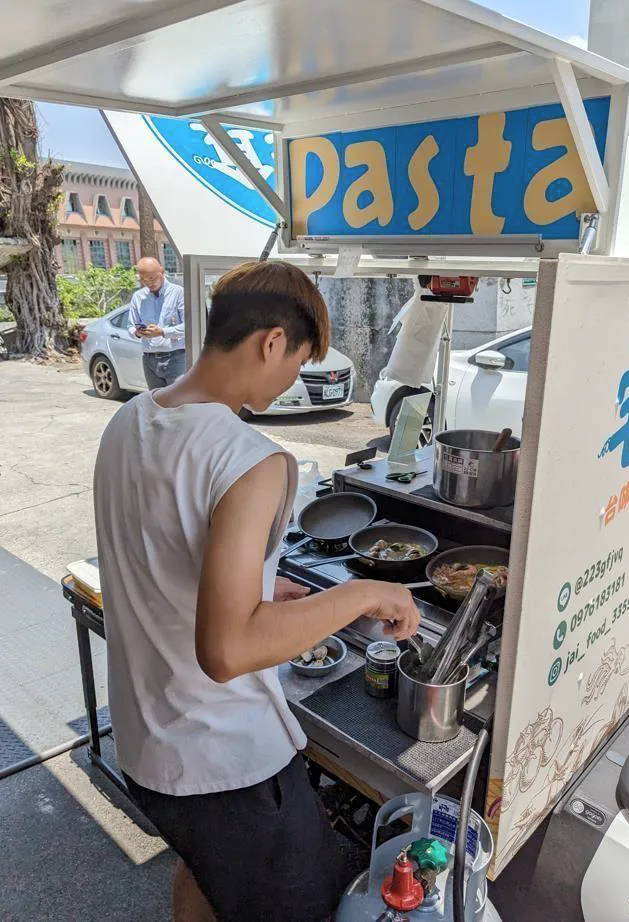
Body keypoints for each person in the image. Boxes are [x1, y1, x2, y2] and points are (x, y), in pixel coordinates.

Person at [94, 260, 420, 922]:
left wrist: (263, 584)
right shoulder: (251, 459)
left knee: (203, 874)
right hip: (225, 766)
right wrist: (362, 594)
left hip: (143, 743)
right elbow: (228, 649)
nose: (292, 378)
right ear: (272, 342)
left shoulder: (129, 420)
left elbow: (157, 549)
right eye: (298, 361)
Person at [128, 256, 185, 388]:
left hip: (175, 358)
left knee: (178, 399)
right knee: (155, 399)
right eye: (144, 280)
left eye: (152, 278)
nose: (149, 283)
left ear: (162, 272)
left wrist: (163, 332)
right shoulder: (138, 297)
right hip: (149, 359)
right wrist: (137, 332)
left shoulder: (178, 293)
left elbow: (190, 327)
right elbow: (130, 326)